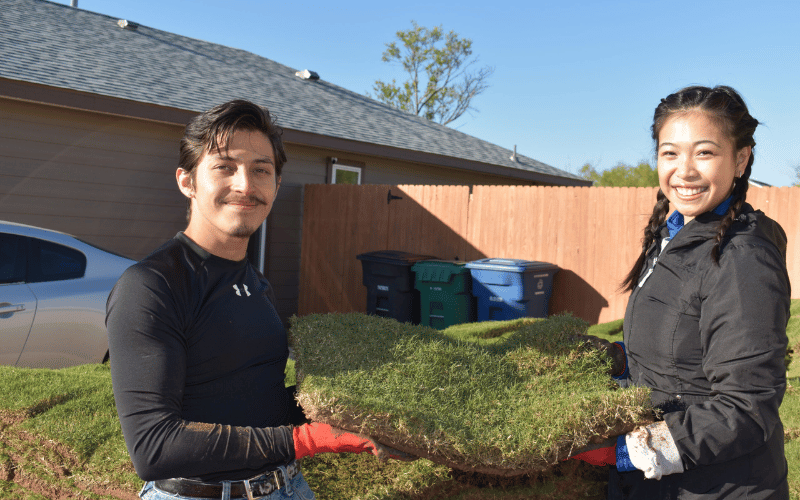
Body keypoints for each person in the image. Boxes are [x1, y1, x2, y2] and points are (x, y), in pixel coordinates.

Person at [106, 99, 406, 500]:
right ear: (187, 181)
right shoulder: (152, 285)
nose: (245, 185)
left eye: (261, 170)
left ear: (276, 186)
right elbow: (154, 447)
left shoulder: (255, 281)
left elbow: (258, 402)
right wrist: (308, 440)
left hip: (288, 488)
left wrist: (362, 412)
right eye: (224, 167)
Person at [571, 85, 791, 499]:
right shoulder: (676, 234)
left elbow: (746, 409)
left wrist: (624, 452)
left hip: (717, 487)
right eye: (670, 153)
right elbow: (682, 343)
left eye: (704, 153)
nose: (684, 170)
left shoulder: (742, 259)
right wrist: (619, 359)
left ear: (740, 159)